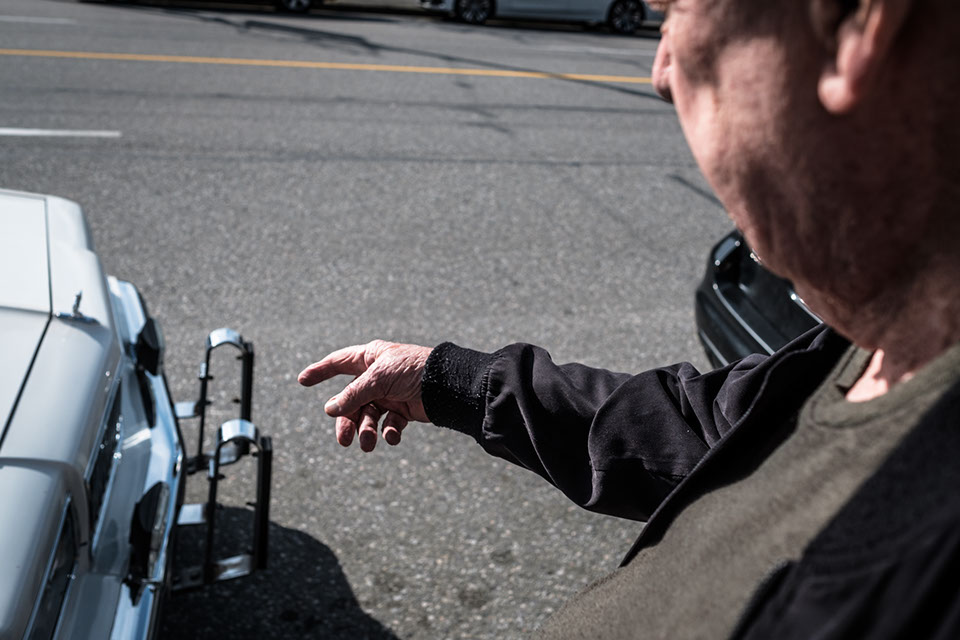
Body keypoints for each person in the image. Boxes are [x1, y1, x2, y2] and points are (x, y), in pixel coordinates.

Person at [299, 0, 960, 636]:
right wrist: (452, 382)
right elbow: (703, 430)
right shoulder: (874, 344)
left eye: (676, 11)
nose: (661, 72)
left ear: (857, 25)